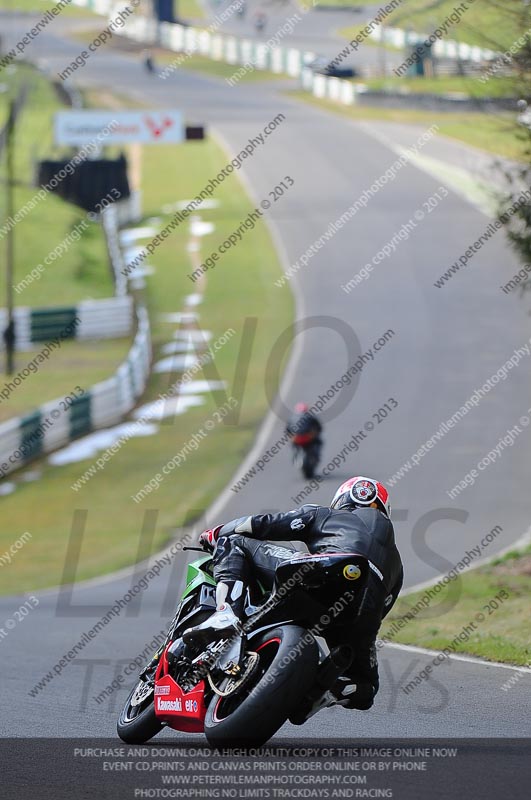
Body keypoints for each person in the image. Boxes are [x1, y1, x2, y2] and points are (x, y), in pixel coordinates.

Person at [183, 476, 403, 712]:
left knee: (233, 540)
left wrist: (215, 533)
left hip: (319, 574)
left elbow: (262, 524)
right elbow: (383, 608)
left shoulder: (325, 514)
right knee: (365, 687)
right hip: (360, 613)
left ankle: (225, 613)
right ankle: (322, 691)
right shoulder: (398, 566)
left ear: (341, 499)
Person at [286, 402, 322, 471]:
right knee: (319, 442)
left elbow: (287, 430)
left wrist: (292, 437)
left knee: (293, 444)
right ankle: (316, 457)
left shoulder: (292, 418)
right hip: (307, 438)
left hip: (297, 438)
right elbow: (319, 428)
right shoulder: (311, 417)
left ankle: (296, 456)